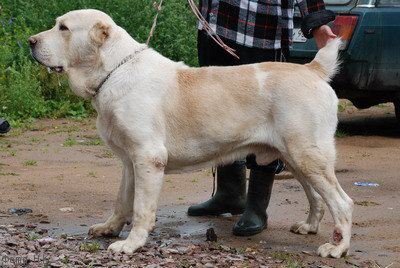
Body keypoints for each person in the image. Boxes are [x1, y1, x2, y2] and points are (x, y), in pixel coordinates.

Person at [188, 0, 337, 236]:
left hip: (262, 30)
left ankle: (257, 207)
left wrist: (317, 22)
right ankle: (230, 193)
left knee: (269, 123)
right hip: (215, 25)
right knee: (220, 115)